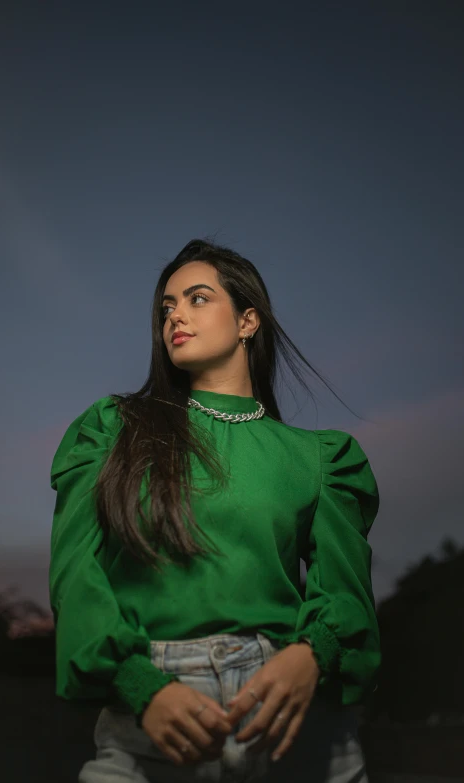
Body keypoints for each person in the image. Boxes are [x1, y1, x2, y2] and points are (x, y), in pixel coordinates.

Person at [49, 238, 381, 782]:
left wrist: (312, 655)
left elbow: (346, 594)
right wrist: (140, 687)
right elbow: (75, 575)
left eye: (197, 298)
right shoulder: (116, 428)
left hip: (294, 721)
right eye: (166, 308)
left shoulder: (321, 457)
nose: (175, 314)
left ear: (248, 321)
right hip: (156, 714)